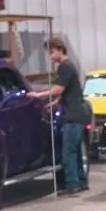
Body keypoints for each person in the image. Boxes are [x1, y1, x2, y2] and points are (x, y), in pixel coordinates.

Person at [32, 39, 87, 193]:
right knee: (75, 151)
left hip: (73, 115)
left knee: (68, 151)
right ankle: (81, 182)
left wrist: (38, 95)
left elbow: (57, 89)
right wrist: (56, 103)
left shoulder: (65, 67)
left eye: (51, 52)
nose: (50, 56)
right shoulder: (69, 67)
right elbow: (69, 92)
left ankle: (72, 185)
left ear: (59, 49)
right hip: (78, 113)